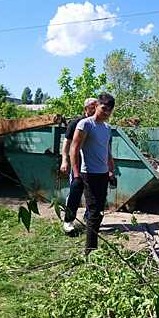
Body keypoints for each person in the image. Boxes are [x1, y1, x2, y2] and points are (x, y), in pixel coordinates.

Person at [70, 93, 116, 255]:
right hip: (88, 174)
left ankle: (92, 246)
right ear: (96, 106)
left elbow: (107, 152)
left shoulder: (107, 128)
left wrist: (111, 170)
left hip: (103, 174)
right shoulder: (85, 124)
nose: (106, 113)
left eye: (109, 110)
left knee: (99, 211)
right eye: (104, 108)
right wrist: (76, 175)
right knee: (94, 211)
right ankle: (89, 250)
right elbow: (74, 149)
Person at [60, 97, 97, 234]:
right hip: (78, 162)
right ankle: (68, 221)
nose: (95, 109)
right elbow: (67, 144)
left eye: (96, 106)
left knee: (92, 193)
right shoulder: (76, 123)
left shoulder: (98, 124)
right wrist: (65, 160)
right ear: (85, 109)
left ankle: (89, 218)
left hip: (93, 164)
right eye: (92, 107)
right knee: (75, 190)